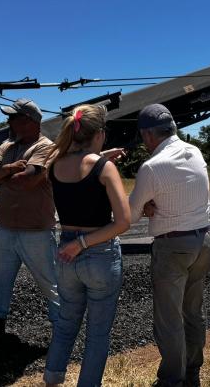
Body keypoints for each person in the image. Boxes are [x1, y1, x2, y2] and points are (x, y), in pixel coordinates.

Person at [42, 104, 130, 387]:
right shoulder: (106, 168)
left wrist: (75, 244)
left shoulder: (55, 165)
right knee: (97, 334)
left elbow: (77, 165)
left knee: (66, 325)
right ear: (100, 134)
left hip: (66, 254)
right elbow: (123, 222)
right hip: (99, 255)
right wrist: (83, 243)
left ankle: (52, 379)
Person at [128, 104, 210, 387]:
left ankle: (171, 380)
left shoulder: (152, 167)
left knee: (168, 319)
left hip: (172, 245)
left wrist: (145, 207)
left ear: (149, 135)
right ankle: (193, 371)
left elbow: (129, 214)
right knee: (192, 311)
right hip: (203, 241)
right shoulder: (195, 151)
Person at [0, 98, 59, 336]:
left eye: (13, 117)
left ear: (29, 121)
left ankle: (62, 328)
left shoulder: (46, 147)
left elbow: (28, 180)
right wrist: (11, 169)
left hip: (36, 230)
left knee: (50, 284)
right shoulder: (8, 145)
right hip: (5, 228)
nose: (9, 121)